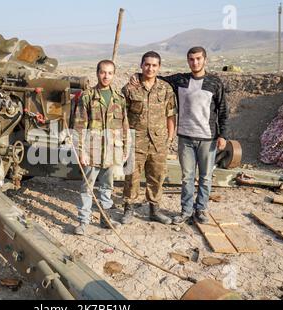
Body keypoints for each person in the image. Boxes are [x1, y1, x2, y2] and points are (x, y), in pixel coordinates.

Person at [131, 47, 229, 224]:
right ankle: (186, 210)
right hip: (185, 137)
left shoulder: (214, 82)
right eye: (191, 59)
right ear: (188, 61)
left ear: (205, 60)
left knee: (206, 177)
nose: (195, 62)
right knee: (187, 176)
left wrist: (223, 134)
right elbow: (155, 77)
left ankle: (201, 209)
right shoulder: (181, 80)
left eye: (198, 59)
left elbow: (222, 109)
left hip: (208, 137)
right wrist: (138, 76)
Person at [72, 59, 129, 236]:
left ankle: (105, 219)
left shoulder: (119, 98)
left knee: (107, 187)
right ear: (97, 73)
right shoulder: (87, 96)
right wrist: (81, 151)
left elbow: (124, 125)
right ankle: (83, 221)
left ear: (114, 75)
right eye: (103, 72)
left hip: (112, 150)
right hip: (92, 151)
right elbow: (79, 125)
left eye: (110, 73)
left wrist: (125, 148)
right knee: (87, 188)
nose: (106, 76)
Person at [121, 51, 177, 225]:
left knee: (157, 176)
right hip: (135, 140)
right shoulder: (130, 88)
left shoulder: (166, 89)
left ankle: (154, 210)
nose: (150, 68)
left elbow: (171, 114)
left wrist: (170, 137)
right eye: (147, 64)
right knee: (132, 176)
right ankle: (128, 208)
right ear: (141, 65)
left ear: (159, 67)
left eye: (154, 65)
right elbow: (122, 115)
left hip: (158, 141)